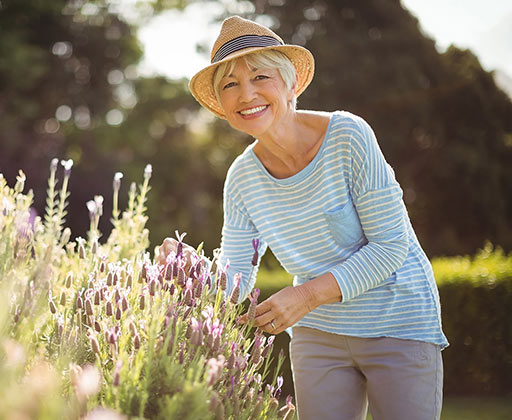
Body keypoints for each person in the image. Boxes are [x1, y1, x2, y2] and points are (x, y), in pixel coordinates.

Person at [157, 15, 447, 420]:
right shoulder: (242, 179)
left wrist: (305, 295)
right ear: (221, 105)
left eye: (261, 77)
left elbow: (391, 246)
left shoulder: (348, 136)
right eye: (230, 84)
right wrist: (188, 269)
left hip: (396, 321)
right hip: (319, 336)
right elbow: (235, 279)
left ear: (291, 84)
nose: (246, 94)